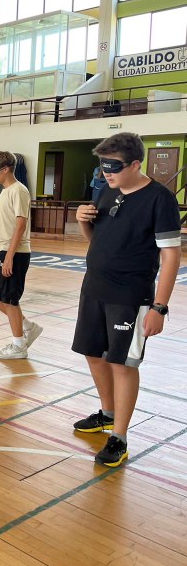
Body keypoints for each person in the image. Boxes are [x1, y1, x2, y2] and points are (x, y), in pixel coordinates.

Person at [72, 132, 181, 467]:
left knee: (122, 363)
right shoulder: (108, 191)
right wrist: (82, 223)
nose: (107, 173)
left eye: (114, 166)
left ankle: (119, 437)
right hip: (94, 288)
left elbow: (172, 257)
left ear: (136, 163)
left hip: (130, 296)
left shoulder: (159, 199)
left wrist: (159, 308)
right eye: (103, 166)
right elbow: (97, 240)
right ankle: (107, 413)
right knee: (93, 354)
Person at [0, 151, 42, 359]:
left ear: (6, 169)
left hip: (14, 253)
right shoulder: (6, 191)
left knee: (10, 299)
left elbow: (20, 225)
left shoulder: (19, 190)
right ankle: (27, 326)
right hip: (1, 250)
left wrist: (9, 256)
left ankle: (19, 346)